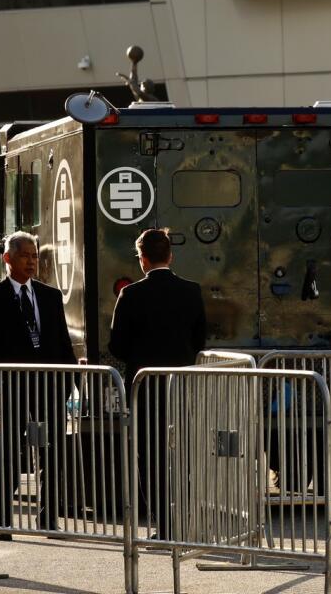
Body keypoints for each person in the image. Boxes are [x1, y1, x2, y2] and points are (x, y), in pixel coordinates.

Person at [0, 231, 76, 539]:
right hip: (13, 387)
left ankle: (48, 518)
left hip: (50, 386)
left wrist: (68, 382)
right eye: (25, 255)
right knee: (9, 453)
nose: (32, 261)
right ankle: (1, 518)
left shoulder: (50, 296)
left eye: (35, 255)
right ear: (7, 258)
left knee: (52, 453)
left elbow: (63, 342)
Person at [110, 228, 208, 537]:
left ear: (143, 259)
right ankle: (187, 520)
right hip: (182, 384)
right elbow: (200, 338)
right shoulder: (192, 290)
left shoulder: (131, 294)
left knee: (148, 455)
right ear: (170, 255)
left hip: (145, 385)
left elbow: (116, 346)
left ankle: (164, 524)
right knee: (183, 452)